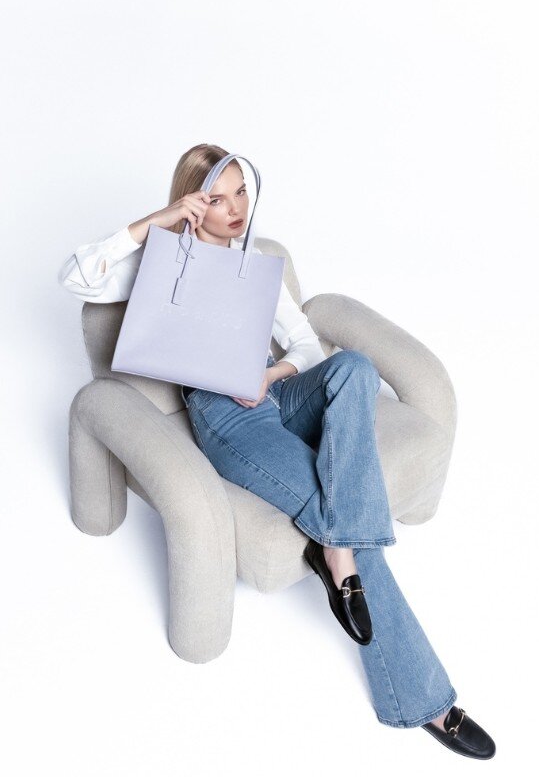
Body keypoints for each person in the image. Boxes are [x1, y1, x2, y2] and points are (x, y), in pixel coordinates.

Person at [58, 143, 496, 759]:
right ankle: (427, 702)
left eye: (242, 192)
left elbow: (308, 347)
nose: (235, 208)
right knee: (334, 505)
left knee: (354, 366)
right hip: (225, 418)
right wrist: (158, 221)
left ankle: (335, 548)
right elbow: (78, 276)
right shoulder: (160, 262)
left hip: (272, 391)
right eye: (217, 197)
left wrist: (271, 374)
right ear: (191, 201)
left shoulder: (256, 264)